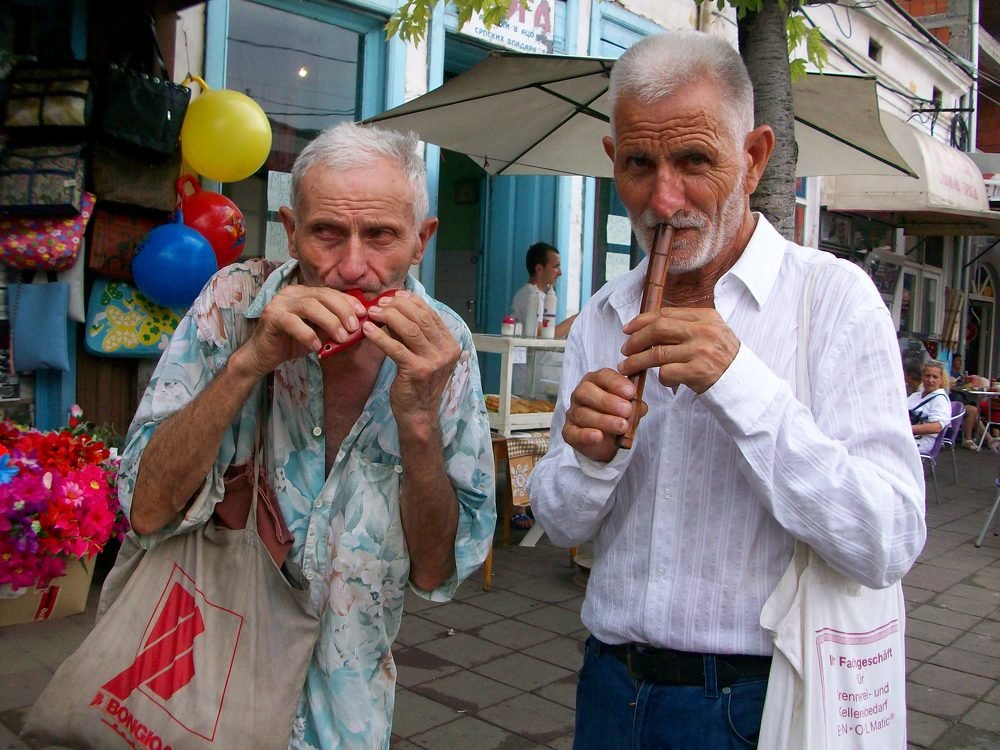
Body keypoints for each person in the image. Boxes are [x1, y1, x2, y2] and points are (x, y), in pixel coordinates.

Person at [529, 31, 925, 749]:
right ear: (612, 159)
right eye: (640, 164)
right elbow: (560, 524)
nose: (663, 197)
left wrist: (742, 385)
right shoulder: (604, 312)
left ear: (755, 157)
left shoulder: (834, 300)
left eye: (694, 161)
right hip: (610, 687)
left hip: (758, 700)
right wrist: (589, 458)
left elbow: (887, 540)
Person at [115, 122, 496, 749]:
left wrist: (420, 421)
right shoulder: (231, 300)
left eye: (380, 236)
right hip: (193, 699)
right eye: (326, 233)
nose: (352, 267)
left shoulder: (443, 345)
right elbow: (144, 509)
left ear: (421, 240)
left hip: (345, 721)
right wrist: (251, 360)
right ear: (291, 231)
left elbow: (435, 573)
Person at [510, 242, 576, 339]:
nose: (560, 273)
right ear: (539, 269)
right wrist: (573, 320)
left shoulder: (541, 296)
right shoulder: (529, 295)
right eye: (556, 266)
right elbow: (540, 333)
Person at [907, 361, 952, 452]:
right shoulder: (915, 396)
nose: (930, 380)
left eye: (935, 377)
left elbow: (937, 427)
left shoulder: (940, 400)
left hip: (921, 442)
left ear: (941, 380)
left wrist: (906, 429)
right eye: (927, 376)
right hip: (904, 436)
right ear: (922, 377)